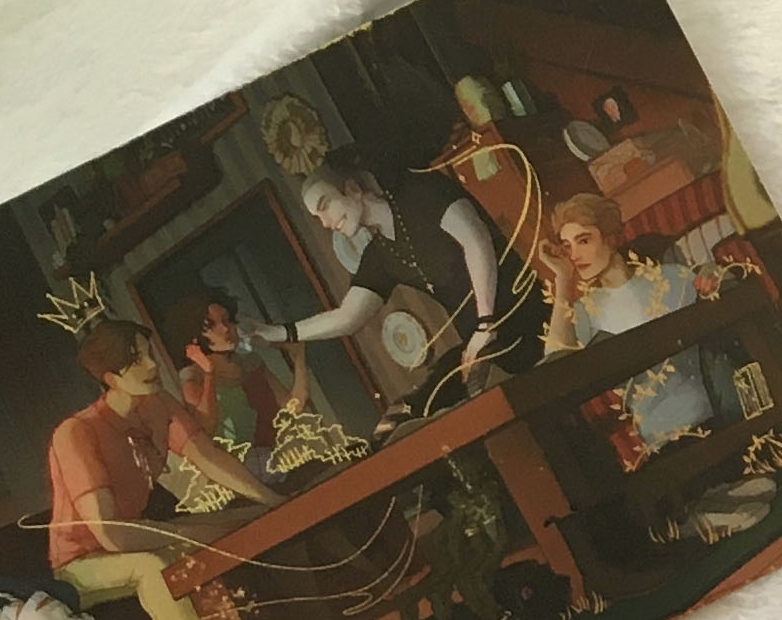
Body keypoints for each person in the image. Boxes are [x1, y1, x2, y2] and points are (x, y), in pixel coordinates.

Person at [43, 321, 277, 620]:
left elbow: (207, 456)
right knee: (154, 567)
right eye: (136, 359)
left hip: (139, 533)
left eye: (148, 354)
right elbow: (112, 535)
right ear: (111, 377)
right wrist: (189, 535)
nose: (152, 365)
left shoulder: (157, 405)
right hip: (81, 563)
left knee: (241, 520)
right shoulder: (77, 433)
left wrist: (269, 500)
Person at [258, 153, 523, 418]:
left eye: (325, 205)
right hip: (481, 347)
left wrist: (485, 323)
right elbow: (347, 318)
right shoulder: (380, 256)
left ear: (353, 188)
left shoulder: (419, 195)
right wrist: (276, 333)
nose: (326, 223)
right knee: (405, 413)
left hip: (519, 311)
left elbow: (476, 238)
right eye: (318, 217)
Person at [536, 192, 719, 448]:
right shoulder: (584, 311)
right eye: (567, 247)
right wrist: (563, 279)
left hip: (712, 412)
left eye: (584, 240)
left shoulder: (668, 277)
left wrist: (712, 274)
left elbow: (712, 287)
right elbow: (554, 369)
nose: (574, 255)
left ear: (611, 238)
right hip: (660, 438)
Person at [178, 290, 307, 468]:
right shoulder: (194, 378)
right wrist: (209, 373)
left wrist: (299, 357)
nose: (225, 329)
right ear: (195, 336)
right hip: (238, 468)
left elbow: (293, 408)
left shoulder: (250, 364)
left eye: (227, 320)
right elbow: (205, 429)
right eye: (211, 326)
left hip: (279, 458)